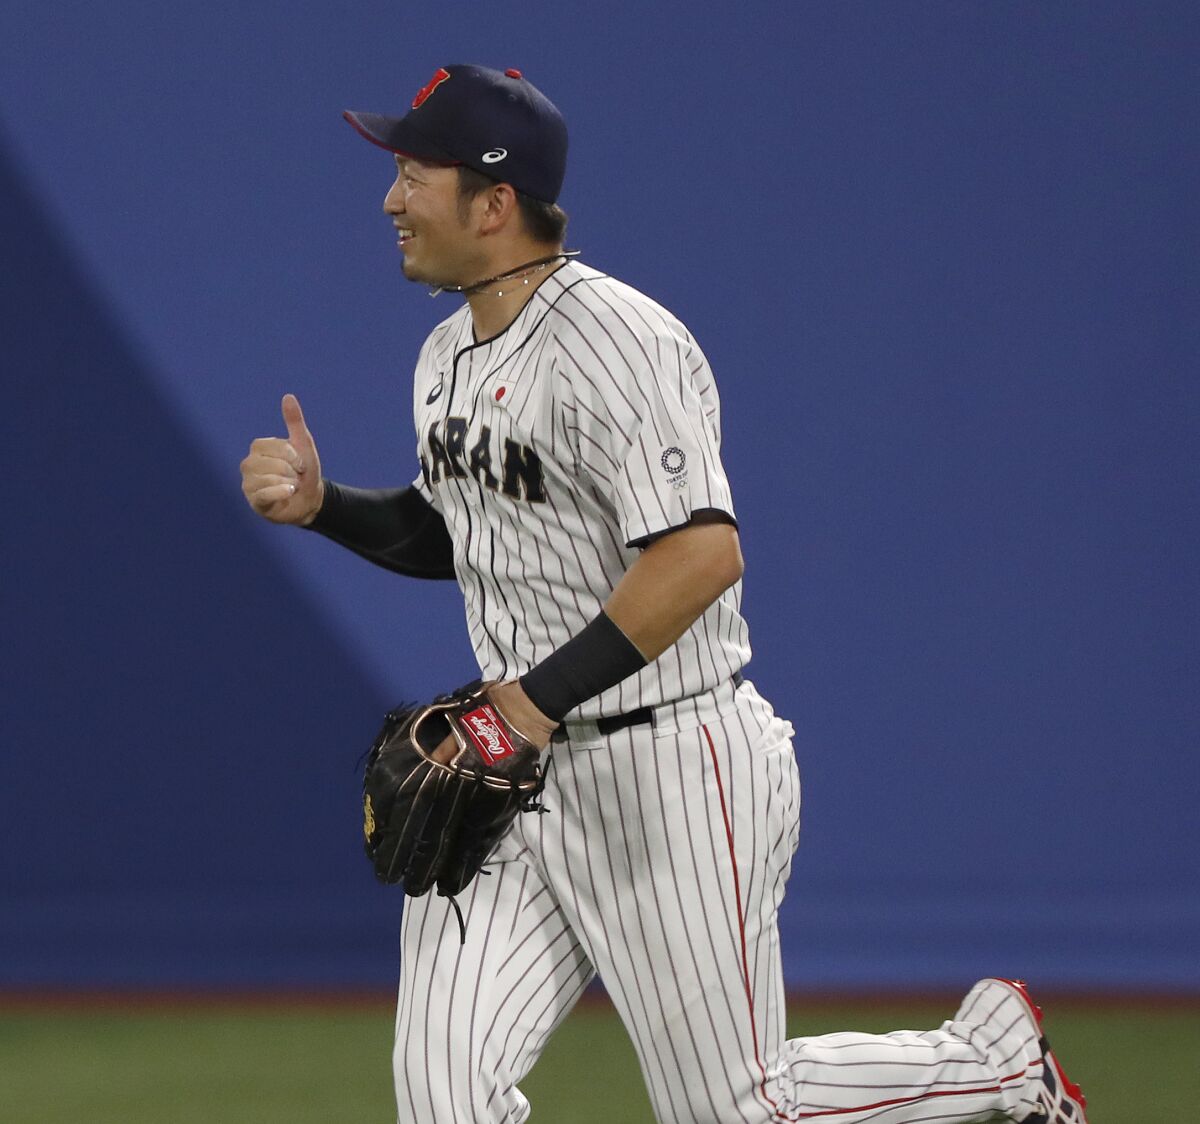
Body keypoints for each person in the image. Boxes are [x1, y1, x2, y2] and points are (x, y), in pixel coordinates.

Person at [239, 63, 1088, 1124]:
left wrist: (528, 703)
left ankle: (999, 1062)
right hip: (519, 783)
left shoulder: (621, 342)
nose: (390, 199)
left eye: (415, 173)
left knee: (737, 1107)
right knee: (442, 1094)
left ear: (494, 204)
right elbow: (455, 530)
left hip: (670, 769)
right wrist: (326, 505)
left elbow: (699, 557)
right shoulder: (446, 352)